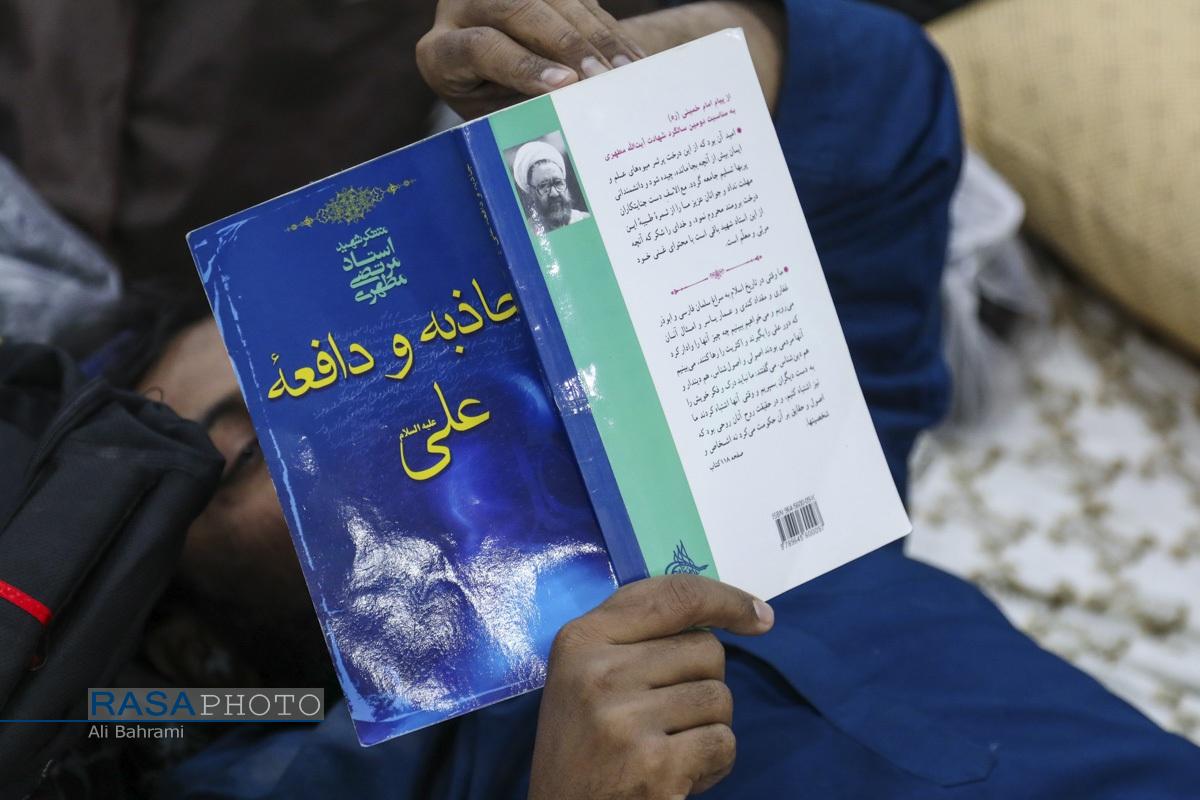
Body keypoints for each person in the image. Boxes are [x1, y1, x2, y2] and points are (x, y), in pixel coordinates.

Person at [27, 0, 1200, 797]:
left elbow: (893, 125)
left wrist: (678, 70)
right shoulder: (287, 764)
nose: (310, 425)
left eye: (324, 369)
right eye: (238, 457)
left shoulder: (756, 488)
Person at [511, 139, 591, 231]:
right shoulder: (528, 232)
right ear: (531, 193)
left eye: (558, 183)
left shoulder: (585, 219)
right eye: (544, 186)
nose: (554, 193)